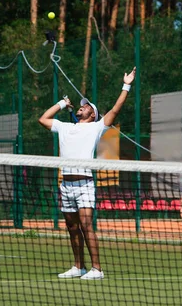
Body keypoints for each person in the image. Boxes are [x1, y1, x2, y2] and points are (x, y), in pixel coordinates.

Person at [38, 67, 136, 280]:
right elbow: (43, 119)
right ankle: (78, 267)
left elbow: (116, 109)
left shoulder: (96, 127)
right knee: (72, 227)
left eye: (86, 107)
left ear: (92, 114)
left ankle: (97, 269)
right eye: (80, 107)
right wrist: (62, 104)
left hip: (85, 184)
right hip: (66, 184)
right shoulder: (64, 127)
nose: (81, 108)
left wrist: (126, 85)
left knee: (85, 225)